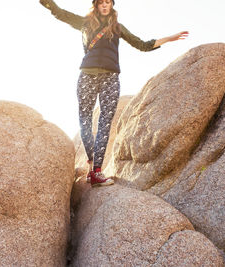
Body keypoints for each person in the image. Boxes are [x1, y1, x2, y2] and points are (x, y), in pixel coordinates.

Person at [39, 0, 188, 187]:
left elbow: (142, 45)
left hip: (110, 77)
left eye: (107, 2)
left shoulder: (117, 28)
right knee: (84, 119)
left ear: (112, 5)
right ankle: (92, 163)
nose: (104, 5)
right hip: (87, 75)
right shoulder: (85, 23)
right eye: (101, 2)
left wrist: (169, 38)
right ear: (96, 5)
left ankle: (97, 171)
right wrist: (49, 4)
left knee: (105, 122)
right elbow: (61, 14)